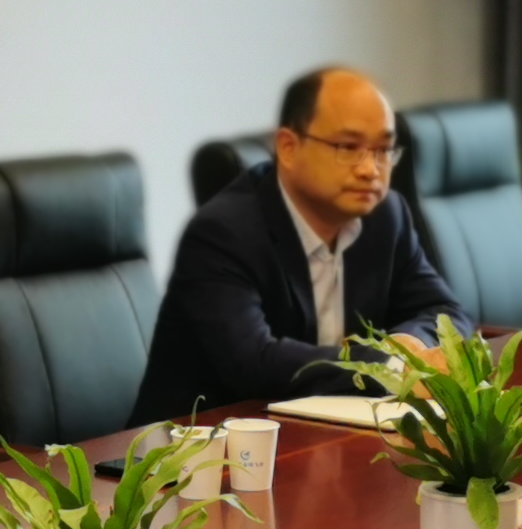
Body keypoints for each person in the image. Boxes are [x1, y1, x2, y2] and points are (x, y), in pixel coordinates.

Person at [132, 65, 462, 423]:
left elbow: (445, 312)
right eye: (348, 147)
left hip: (324, 432)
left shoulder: (385, 216)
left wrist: (409, 346)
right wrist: (391, 367)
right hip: (195, 444)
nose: (370, 169)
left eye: (383, 150)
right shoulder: (222, 233)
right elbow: (253, 362)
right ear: (288, 147)